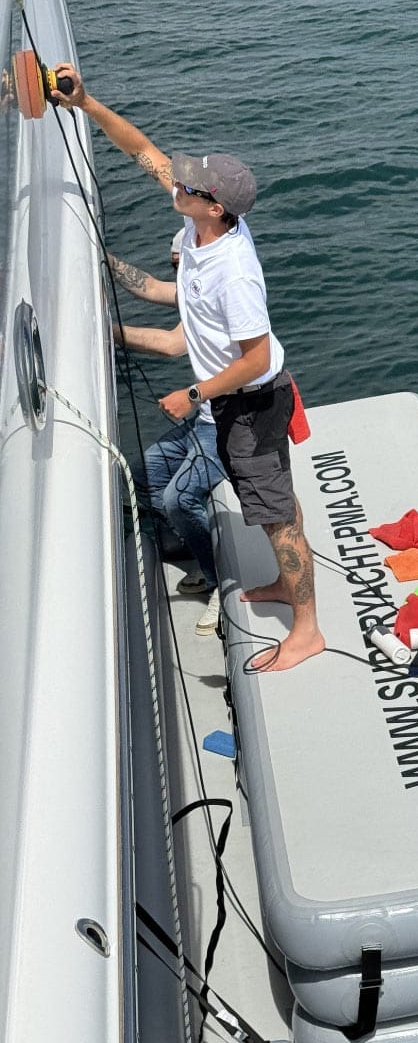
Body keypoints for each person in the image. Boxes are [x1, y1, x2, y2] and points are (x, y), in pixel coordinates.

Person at [54, 62, 326, 672]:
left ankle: (306, 631)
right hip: (243, 402)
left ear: (214, 206)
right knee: (278, 505)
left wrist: (194, 394)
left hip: (250, 404)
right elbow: (147, 153)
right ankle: (288, 587)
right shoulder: (198, 224)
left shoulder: (235, 275)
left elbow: (255, 360)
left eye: (191, 183)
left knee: (276, 516)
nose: (176, 182)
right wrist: (87, 103)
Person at [121, 232, 227, 635]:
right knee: (144, 473)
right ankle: (197, 546)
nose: (177, 274)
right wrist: (104, 260)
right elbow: (147, 286)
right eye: (173, 266)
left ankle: (220, 580)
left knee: (177, 497)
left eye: (181, 265)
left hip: (225, 426)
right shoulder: (194, 291)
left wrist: (107, 330)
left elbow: (170, 345)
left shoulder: (216, 300)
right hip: (203, 421)